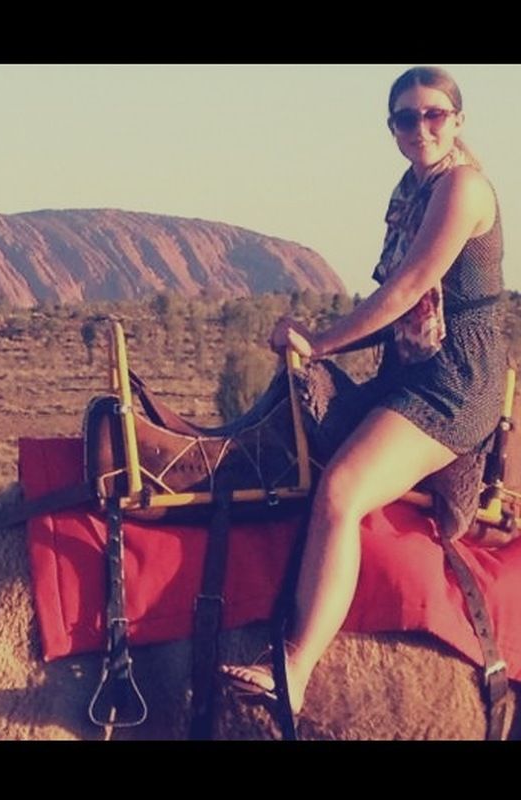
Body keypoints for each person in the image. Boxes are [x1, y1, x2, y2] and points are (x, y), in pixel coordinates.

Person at [219, 66, 506, 715]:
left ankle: (293, 669)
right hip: (405, 374)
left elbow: (407, 290)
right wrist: (312, 344)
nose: (421, 127)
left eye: (434, 114)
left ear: (458, 121)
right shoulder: (409, 193)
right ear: (392, 128)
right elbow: (391, 307)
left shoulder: (462, 188)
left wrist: (320, 342)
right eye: (406, 118)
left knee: (342, 489)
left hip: (453, 384)